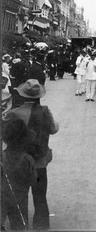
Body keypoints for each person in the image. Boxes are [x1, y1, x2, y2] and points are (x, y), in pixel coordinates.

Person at [3, 79, 59, 230]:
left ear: (23, 96)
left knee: (19, 195)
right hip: (40, 161)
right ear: (38, 96)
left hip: (19, 162)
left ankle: (20, 226)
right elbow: (54, 129)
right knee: (40, 195)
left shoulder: (14, 113)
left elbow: (5, 134)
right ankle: (41, 225)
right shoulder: (45, 111)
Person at [1, 117, 37, 230]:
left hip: (2, 197)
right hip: (20, 198)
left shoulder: (2, 157)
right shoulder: (27, 159)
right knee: (19, 226)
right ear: (24, 139)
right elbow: (33, 180)